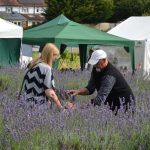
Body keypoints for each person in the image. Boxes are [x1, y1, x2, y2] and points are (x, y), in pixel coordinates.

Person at [68, 50, 135, 113]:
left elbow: (100, 100)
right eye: (94, 63)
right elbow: (90, 88)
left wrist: (77, 106)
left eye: (97, 63)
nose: (95, 65)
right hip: (112, 105)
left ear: (104, 60)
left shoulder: (110, 75)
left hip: (125, 106)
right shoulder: (97, 68)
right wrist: (78, 92)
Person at [23, 43, 64, 111]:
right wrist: (60, 107)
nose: (54, 60)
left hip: (25, 104)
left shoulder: (31, 64)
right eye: (55, 57)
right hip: (39, 107)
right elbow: (50, 93)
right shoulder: (47, 69)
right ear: (51, 55)